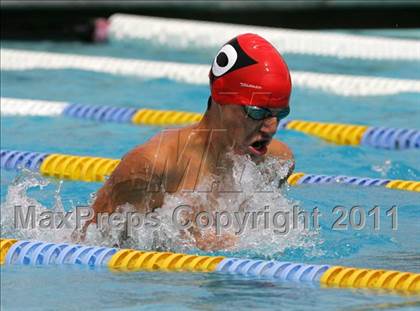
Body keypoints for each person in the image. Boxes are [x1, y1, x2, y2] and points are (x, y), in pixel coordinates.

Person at [80, 33, 294, 249]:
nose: (272, 128)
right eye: (257, 112)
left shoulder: (275, 163)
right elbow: (87, 244)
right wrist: (184, 244)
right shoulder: (153, 166)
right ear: (221, 97)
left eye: (280, 114)